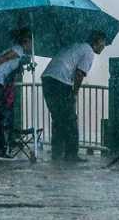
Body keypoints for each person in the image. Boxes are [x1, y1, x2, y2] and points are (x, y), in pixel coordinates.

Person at [42, 31, 106, 161]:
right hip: (60, 81)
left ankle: (57, 152)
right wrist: (74, 93)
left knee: (58, 119)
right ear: (97, 41)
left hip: (48, 79)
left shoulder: (76, 46)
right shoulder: (88, 51)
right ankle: (71, 155)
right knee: (70, 120)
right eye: (103, 43)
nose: (104, 47)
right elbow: (79, 74)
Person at [0, 28, 32, 158]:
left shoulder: (18, 51)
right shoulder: (18, 50)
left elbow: (7, 66)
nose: (32, 45)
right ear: (26, 41)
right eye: (31, 41)